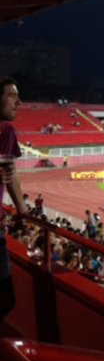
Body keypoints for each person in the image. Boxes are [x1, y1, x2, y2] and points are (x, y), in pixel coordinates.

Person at [0, 77, 28, 322]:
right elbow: (11, 173)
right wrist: (23, 211)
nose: (18, 102)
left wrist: (22, 209)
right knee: (6, 298)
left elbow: (9, 173)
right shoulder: (5, 129)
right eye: (11, 95)